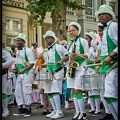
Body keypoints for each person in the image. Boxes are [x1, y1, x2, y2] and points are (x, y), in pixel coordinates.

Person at [95, 4, 118, 120]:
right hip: (106, 67)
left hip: (113, 66)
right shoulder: (106, 29)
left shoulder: (113, 26)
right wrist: (100, 59)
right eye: (99, 15)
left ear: (110, 16)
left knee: (111, 95)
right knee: (106, 96)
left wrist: (111, 56)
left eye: (103, 14)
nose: (101, 16)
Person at [41, 30, 69, 119]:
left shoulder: (59, 47)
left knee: (55, 91)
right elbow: (48, 61)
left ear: (53, 39)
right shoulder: (47, 51)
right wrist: (45, 64)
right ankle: (55, 110)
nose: (47, 40)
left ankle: (60, 111)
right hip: (49, 72)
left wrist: (61, 61)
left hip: (58, 71)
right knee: (49, 92)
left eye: (48, 38)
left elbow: (68, 56)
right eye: (46, 39)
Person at [67, 22, 89, 120]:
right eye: (69, 31)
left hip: (80, 68)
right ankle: (78, 111)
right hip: (71, 68)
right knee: (73, 91)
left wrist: (78, 55)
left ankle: (83, 113)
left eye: (73, 30)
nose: (71, 32)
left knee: (78, 90)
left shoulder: (83, 41)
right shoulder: (70, 42)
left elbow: (88, 55)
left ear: (78, 31)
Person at [13, 33, 35, 117]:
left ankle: (28, 109)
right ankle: (21, 108)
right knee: (18, 91)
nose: (17, 42)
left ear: (23, 41)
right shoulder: (18, 51)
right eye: (16, 40)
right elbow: (18, 64)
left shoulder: (28, 50)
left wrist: (24, 70)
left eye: (19, 40)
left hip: (27, 73)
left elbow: (32, 63)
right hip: (20, 74)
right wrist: (14, 70)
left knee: (26, 91)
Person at [84, 31, 101, 116]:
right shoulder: (86, 48)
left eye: (87, 38)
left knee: (95, 90)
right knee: (90, 90)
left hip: (95, 70)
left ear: (91, 39)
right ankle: (92, 108)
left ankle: (98, 109)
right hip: (88, 70)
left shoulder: (95, 47)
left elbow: (97, 57)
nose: (85, 40)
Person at [2, 48, 13, 117]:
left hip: (3, 74)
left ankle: (5, 109)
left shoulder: (3, 51)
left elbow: (10, 60)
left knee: (3, 92)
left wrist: (2, 65)